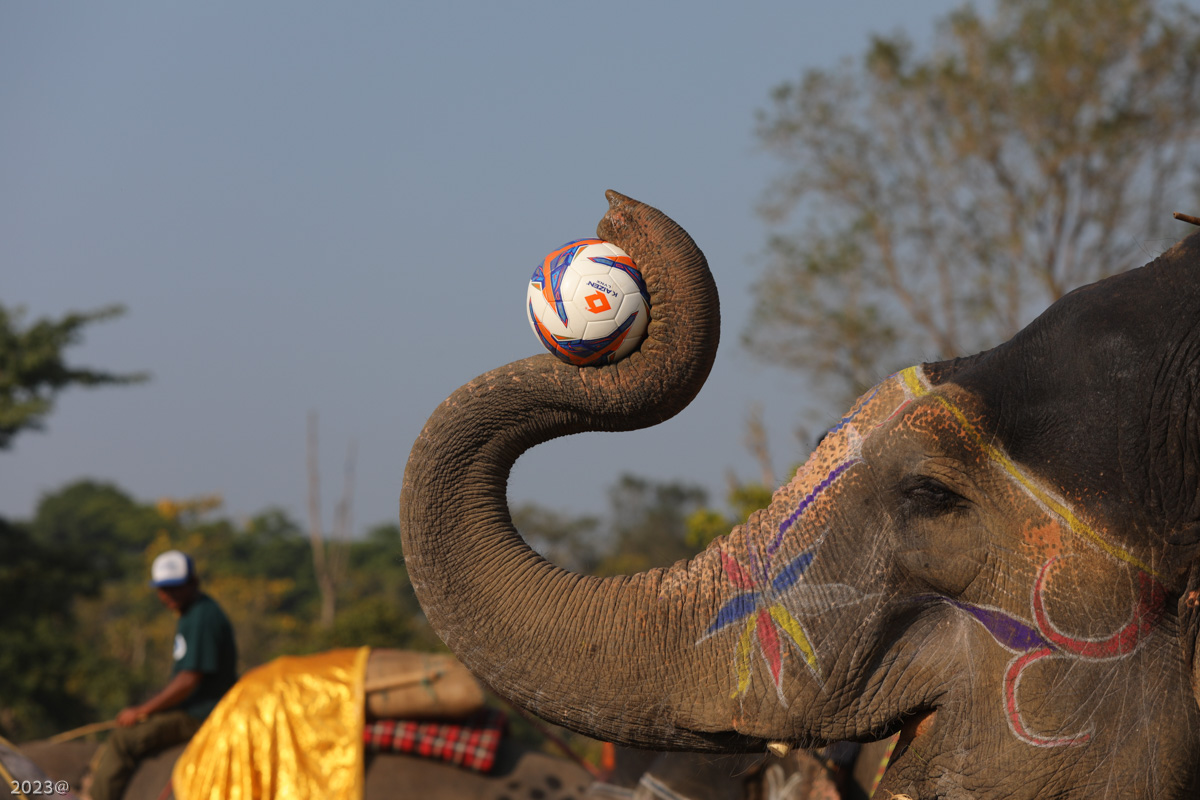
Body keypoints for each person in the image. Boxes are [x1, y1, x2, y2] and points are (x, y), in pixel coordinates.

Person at [88, 550, 238, 800]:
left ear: (193, 583)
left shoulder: (202, 617)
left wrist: (143, 710)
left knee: (123, 740)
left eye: (174, 587)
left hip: (202, 714)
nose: (167, 595)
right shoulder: (190, 613)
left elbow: (189, 679)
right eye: (162, 588)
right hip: (195, 708)